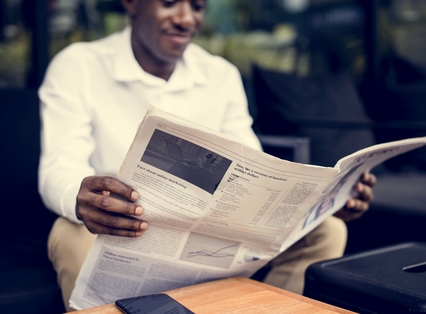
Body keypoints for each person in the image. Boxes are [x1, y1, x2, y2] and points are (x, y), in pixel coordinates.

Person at [38, 0, 376, 311]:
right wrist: (80, 199)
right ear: (132, 3)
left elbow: (255, 169)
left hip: (209, 230)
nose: (187, 18)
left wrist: (328, 203)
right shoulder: (78, 65)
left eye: (197, 6)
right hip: (122, 228)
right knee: (69, 232)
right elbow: (59, 164)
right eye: (170, 3)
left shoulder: (221, 75)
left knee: (329, 231)